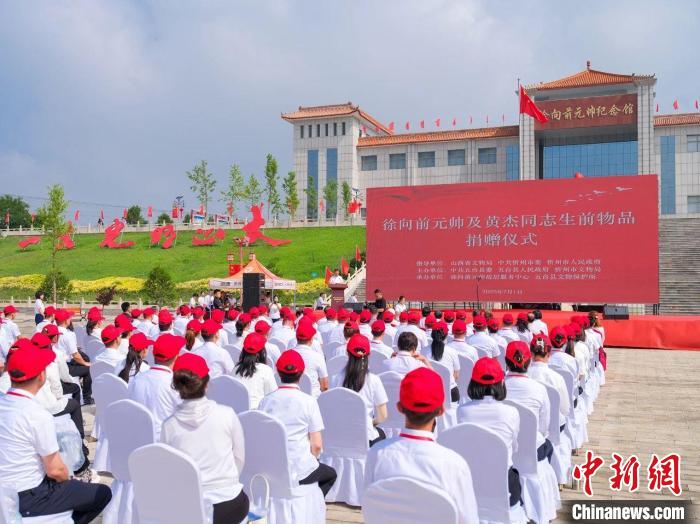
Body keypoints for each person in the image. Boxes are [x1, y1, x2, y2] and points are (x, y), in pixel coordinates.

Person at [0, 344, 112, 522]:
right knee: (102, 493)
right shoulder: (36, 414)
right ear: (42, 376)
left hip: (7, 490)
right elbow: (56, 470)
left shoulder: (5, 402)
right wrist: (69, 482)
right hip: (28, 496)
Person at [364, 367, 479, 524]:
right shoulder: (454, 464)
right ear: (441, 411)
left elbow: (370, 506)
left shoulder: (376, 454)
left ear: (399, 407)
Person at [161, 353, 249, 523]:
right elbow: (239, 458)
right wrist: (226, 480)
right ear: (207, 384)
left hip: (190, 504)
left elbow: (169, 468)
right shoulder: (227, 414)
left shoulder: (169, 425)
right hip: (228, 502)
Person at [258, 350, 337, 495]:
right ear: (301, 374)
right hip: (300, 469)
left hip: (272, 468)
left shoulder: (265, 401)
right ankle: (311, 503)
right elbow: (317, 446)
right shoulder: (309, 401)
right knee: (331, 475)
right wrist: (311, 461)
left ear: (278, 373)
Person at [457, 357, 522, 508]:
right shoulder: (511, 412)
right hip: (503, 483)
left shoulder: (462, 411)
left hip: (472, 483)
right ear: (501, 383)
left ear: (473, 383)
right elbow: (514, 447)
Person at [331, 334, 388, 446]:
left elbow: (333, 409)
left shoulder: (335, 379)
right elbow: (383, 416)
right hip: (366, 436)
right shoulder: (374, 380)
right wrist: (370, 423)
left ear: (347, 353)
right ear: (369, 355)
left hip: (341, 434)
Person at [504, 341, 552, 463]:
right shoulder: (540, 389)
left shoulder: (496, 388)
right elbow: (543, 427)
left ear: (506, 361)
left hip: (503, 448)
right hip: (532, 448)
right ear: (529, 360)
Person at [129, 333, 183, 439]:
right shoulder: (175, 384)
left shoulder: (137, 379)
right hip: (165, 441)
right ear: (177, 356)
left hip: (138, 438)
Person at [528, 334, 569, 432]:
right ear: (549, 354)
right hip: (553, 427)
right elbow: (565, 409)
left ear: (531, 353)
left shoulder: (524, 377)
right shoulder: (557, 378)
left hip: (527, 426)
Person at [55, 309, 93, 405]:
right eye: (69, 318)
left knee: (84, 358)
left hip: (56, 363)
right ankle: (87, 397)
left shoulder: (54, 330)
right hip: (66, 366)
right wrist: (86, 363)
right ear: (65, 321)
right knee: (89, 369)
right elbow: (75, 355)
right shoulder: (68, 334)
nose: (70, 320)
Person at [233, 333, 277, 409]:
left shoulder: (235, 369)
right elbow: (273, 396)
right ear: (262, 352)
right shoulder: (266, 370)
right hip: (257, 412)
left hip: (237, 412)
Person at [423, 321, 460, 402]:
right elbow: (456, 375)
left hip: (429, 392)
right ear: (446, 335)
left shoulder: (423, 351)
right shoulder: (452, 352)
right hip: (450, 391)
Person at [292, 319, 328, 398]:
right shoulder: (318, 357)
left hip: (292, 397)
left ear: (296, 338)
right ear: (311, 339)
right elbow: (324, 386)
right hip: (314, 398)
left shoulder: (288, 355)